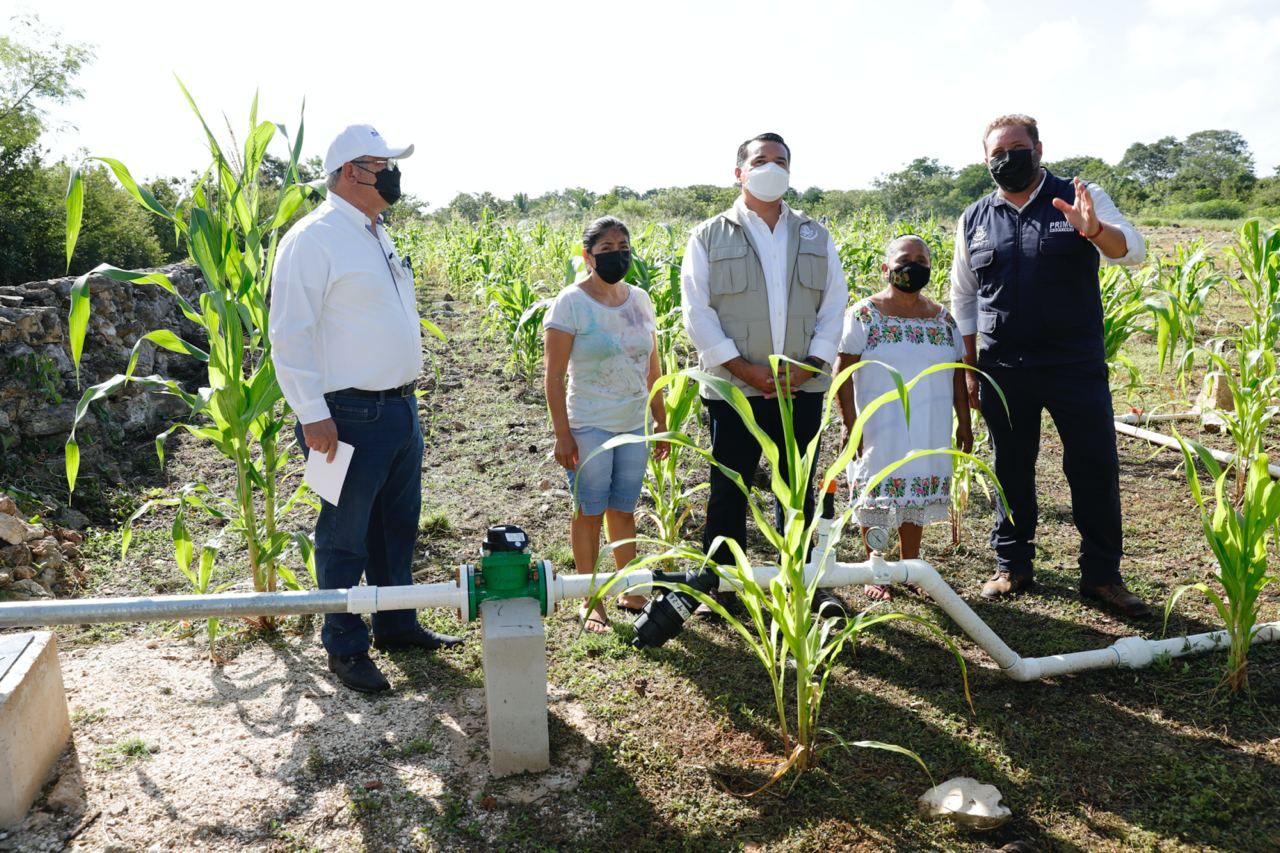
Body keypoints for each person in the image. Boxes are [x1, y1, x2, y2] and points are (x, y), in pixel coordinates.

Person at [269, 123, 463, 693]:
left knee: (395, 528)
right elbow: (289, 333)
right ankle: (345, 645)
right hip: (345, 415)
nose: (394, 174)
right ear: (352, 172)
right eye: (384, 165)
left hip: (399, 410)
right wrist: (311, 413)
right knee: (344, 533)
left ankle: (398, 623)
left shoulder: (375, 232)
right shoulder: (315, 238)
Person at [950, 114, 1151, 617]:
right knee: (1010, 466)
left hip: (1073, 362)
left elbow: (1134, 252)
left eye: (1017, 148)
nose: (1006, 159)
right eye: (996, 152)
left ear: (1039, 149)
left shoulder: (1080, 194)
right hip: (1002, 366)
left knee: (1093, 465)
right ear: (986, 159)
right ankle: (1011, 564)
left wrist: (1096, 230)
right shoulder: (974, 217)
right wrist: (968, 366)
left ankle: (1102, 575)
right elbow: (964, 298)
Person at [680, 132, 849, 617]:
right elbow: (698, 310)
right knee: (728, 486)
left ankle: (804, 581)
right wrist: (742, 369)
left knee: (798, 487)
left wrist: (811, 365)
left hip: (802, 387)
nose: (770, 168)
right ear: (740, 172)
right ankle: (722, 583)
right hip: (735, 388)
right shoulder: (709, 235)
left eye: (780, 161)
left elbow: (832, 305)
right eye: (760, 160)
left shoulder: (814, 233)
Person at [544, 216, 669, 633]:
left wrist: (660, 418)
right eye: (607, 249)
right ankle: (589, 598)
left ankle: (631, 588)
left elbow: (652, 363)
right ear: (588, 257)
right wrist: (562, 434)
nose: (618, 255)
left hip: (633, 423)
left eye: (623, 247)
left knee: (624, 508)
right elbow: (553, 375)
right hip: (589, 425)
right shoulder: (571, 303)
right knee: (589, 510)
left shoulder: (641, 300)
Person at [836, 235, 972, 600]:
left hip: (930, 424)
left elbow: (958, 372)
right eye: (905, 258)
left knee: (917, 491)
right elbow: (842, 373)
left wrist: (966, 423)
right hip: (880, 425)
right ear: (885, 268)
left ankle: (910, 566)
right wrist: (852, 427)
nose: (914, 265)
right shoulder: (865, 313)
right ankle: (876, 570)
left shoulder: (943, 318)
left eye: (922, 259)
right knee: (876, 492)